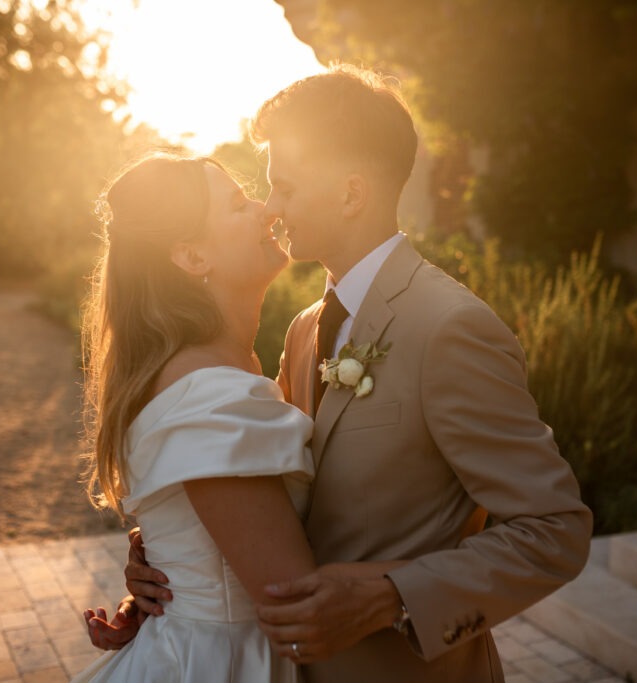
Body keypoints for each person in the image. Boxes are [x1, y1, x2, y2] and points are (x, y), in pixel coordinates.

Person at [97, 65, 593, 682]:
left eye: (284, 187)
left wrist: (394, 595)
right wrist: (172, 558)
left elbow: (555, 529)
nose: (269, 208)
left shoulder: (450, 327)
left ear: (351, 194)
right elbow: (256, 487)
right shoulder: (305, 329)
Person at [71, 153, 400, 683]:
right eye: (238, 204)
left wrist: (169, 569)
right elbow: (293, 603)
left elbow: (211, 527)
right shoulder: (208, 397)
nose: (267, 209)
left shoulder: (235, 365)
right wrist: (448, 571)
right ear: (193, 255)